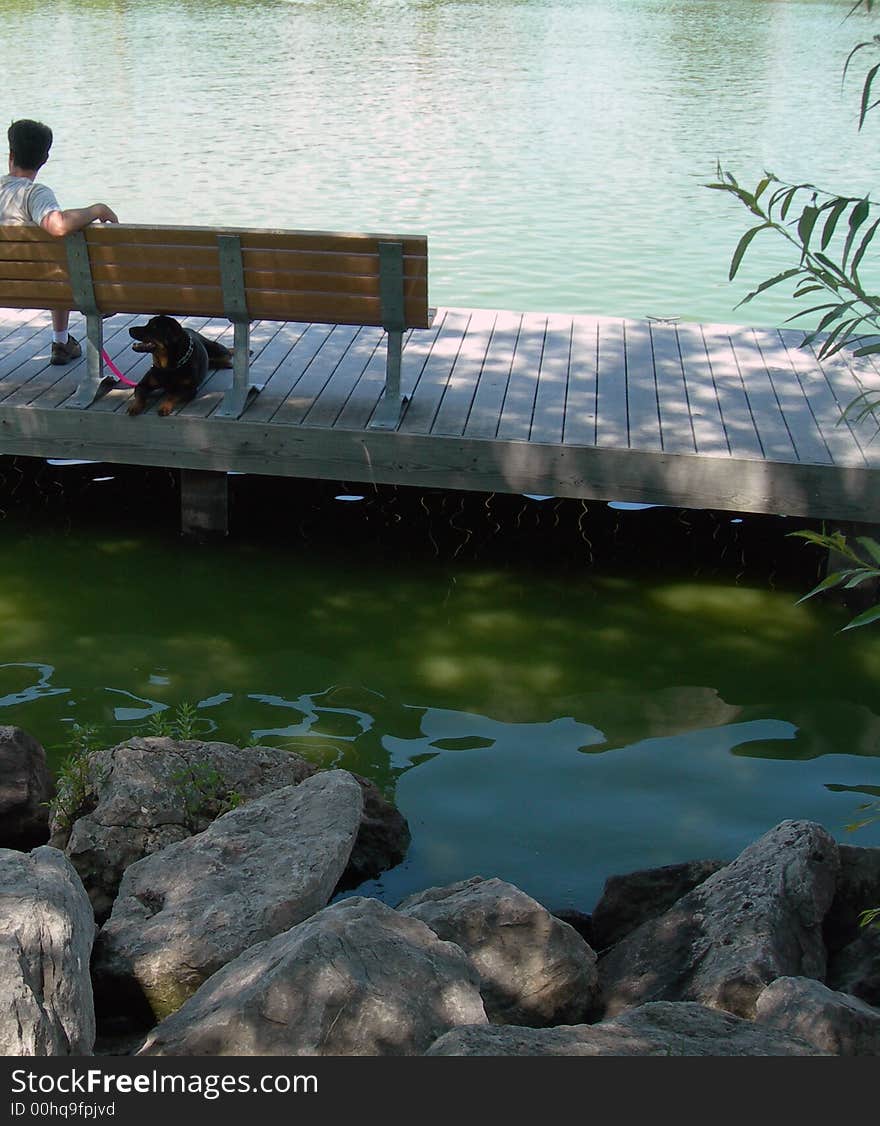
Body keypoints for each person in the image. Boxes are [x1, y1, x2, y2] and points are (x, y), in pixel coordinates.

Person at [1, 119, 118, 364]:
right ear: (44, 159)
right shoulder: (34, 193)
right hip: (43, 287)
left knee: (56, 263)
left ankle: (62, 342)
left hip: (7, 284)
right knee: (59, 265)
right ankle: (60, 341)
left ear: (10, 154)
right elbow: (58, 225)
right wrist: (96, 209)